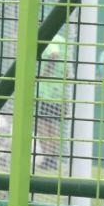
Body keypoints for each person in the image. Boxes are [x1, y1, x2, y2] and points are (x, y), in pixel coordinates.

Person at [34, 32, 70, 171]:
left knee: (42, 126)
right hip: (59, 92)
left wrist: (44, 74)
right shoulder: (63, 40)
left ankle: (48, 158)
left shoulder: (48, 38)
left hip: (47, 92)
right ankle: (52, 159)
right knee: (52, 128)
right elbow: (66, 68)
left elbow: (53, 54)